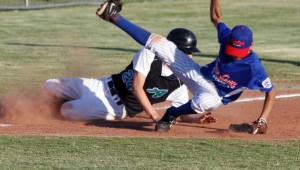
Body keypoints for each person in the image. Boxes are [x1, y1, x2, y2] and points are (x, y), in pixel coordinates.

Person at [95, 0, 276, 133]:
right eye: (232, 50)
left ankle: (171, 114)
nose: (235, 55)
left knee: (210, 101)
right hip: (197, 74)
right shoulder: (227, 37)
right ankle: (113, 15)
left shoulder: (254, 68)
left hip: (215, 93)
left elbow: (271, 91)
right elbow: (216, 18)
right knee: (160, 43)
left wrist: (262, 120)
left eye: (239, 52)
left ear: (250, 46)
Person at [43, 28, 216, 125]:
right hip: (102, 85)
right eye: (186, 52)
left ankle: (48, 113)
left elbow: (183, 114)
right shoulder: (150, 54)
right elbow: (137, 87)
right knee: (50, 84)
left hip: (116, 107)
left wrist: (197, 119)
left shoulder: (179, 82)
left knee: (68, 109)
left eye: (191, 52)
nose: (190, 56)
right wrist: (155, 117)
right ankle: (47, 107)